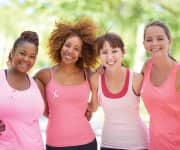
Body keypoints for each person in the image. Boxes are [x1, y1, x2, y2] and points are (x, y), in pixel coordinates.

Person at [34, 17, 98, 150]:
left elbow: (104, 92)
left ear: (81, 54)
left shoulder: (88, 74)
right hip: (55, 144)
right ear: (60, 45)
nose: (70, 51)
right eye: (68, 45)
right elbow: (23, 91)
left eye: (76, 49)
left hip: (86, 142)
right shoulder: (45, 75)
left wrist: (90, 108)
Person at [89, 33, 148, 150]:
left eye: (114, 51)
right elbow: (93, 107)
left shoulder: (136, 79)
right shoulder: (95, 79)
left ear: (123, 53)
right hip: (108, 144)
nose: (110, 57)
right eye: (104, 52)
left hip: (138, 144)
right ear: (99, 56)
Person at [0, 31, 45, 150]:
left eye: (32, 56)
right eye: (22, 53)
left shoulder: (36, 84)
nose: (26, 59)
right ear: (13, 52)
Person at [141, 20, 180, 150]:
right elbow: (129, 84)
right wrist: (106, 69)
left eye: (160, 38)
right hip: (154, 144)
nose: (154, 43)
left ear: (169, 41)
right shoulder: (147, 66)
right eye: (149, 39)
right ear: (144, 44)